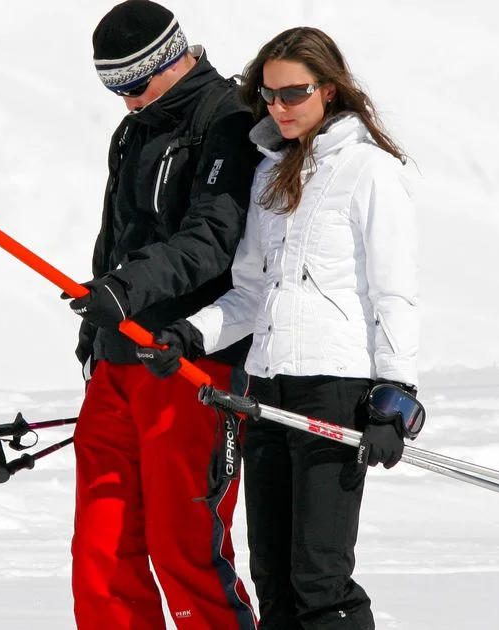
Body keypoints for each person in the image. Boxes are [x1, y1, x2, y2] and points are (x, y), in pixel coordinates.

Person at [139, 27, 420, 629]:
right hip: (265, 389)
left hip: (335, 390)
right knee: (272, 578)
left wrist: (397, 398)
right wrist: (189, 335)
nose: (279, 108)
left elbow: (394, 294)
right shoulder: (270, 176)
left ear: (329, 88)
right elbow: (250, 293)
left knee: (319, 579)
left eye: (293, 94)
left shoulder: (370, 171)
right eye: (267, 96)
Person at [65, 2, 261, 628]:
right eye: (113, 89)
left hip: (189, 364)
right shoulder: (136, 129)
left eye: (133, 84)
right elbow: (116, 234)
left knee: (184, 550)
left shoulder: (229, 122)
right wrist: (96, 322)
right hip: (118, 362)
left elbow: (212, 238)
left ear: (172, 59)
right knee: (102, 553)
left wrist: (127, 291)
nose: (126, 101)